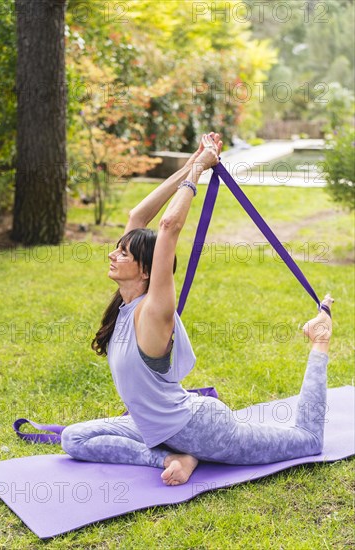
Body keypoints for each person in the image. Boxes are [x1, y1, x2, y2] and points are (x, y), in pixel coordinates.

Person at [61, 132, 334, 486]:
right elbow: (138, 214)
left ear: (146, 270)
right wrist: (195, 160)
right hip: (161, 431)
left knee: (307, 441)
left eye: (122, 253)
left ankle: (320, 339)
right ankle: (174, 457)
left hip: (203, 429)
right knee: (74, 438)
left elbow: (168, 226)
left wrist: (197, 175)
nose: (112, 254)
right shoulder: (126, 304)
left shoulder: (153, 310)